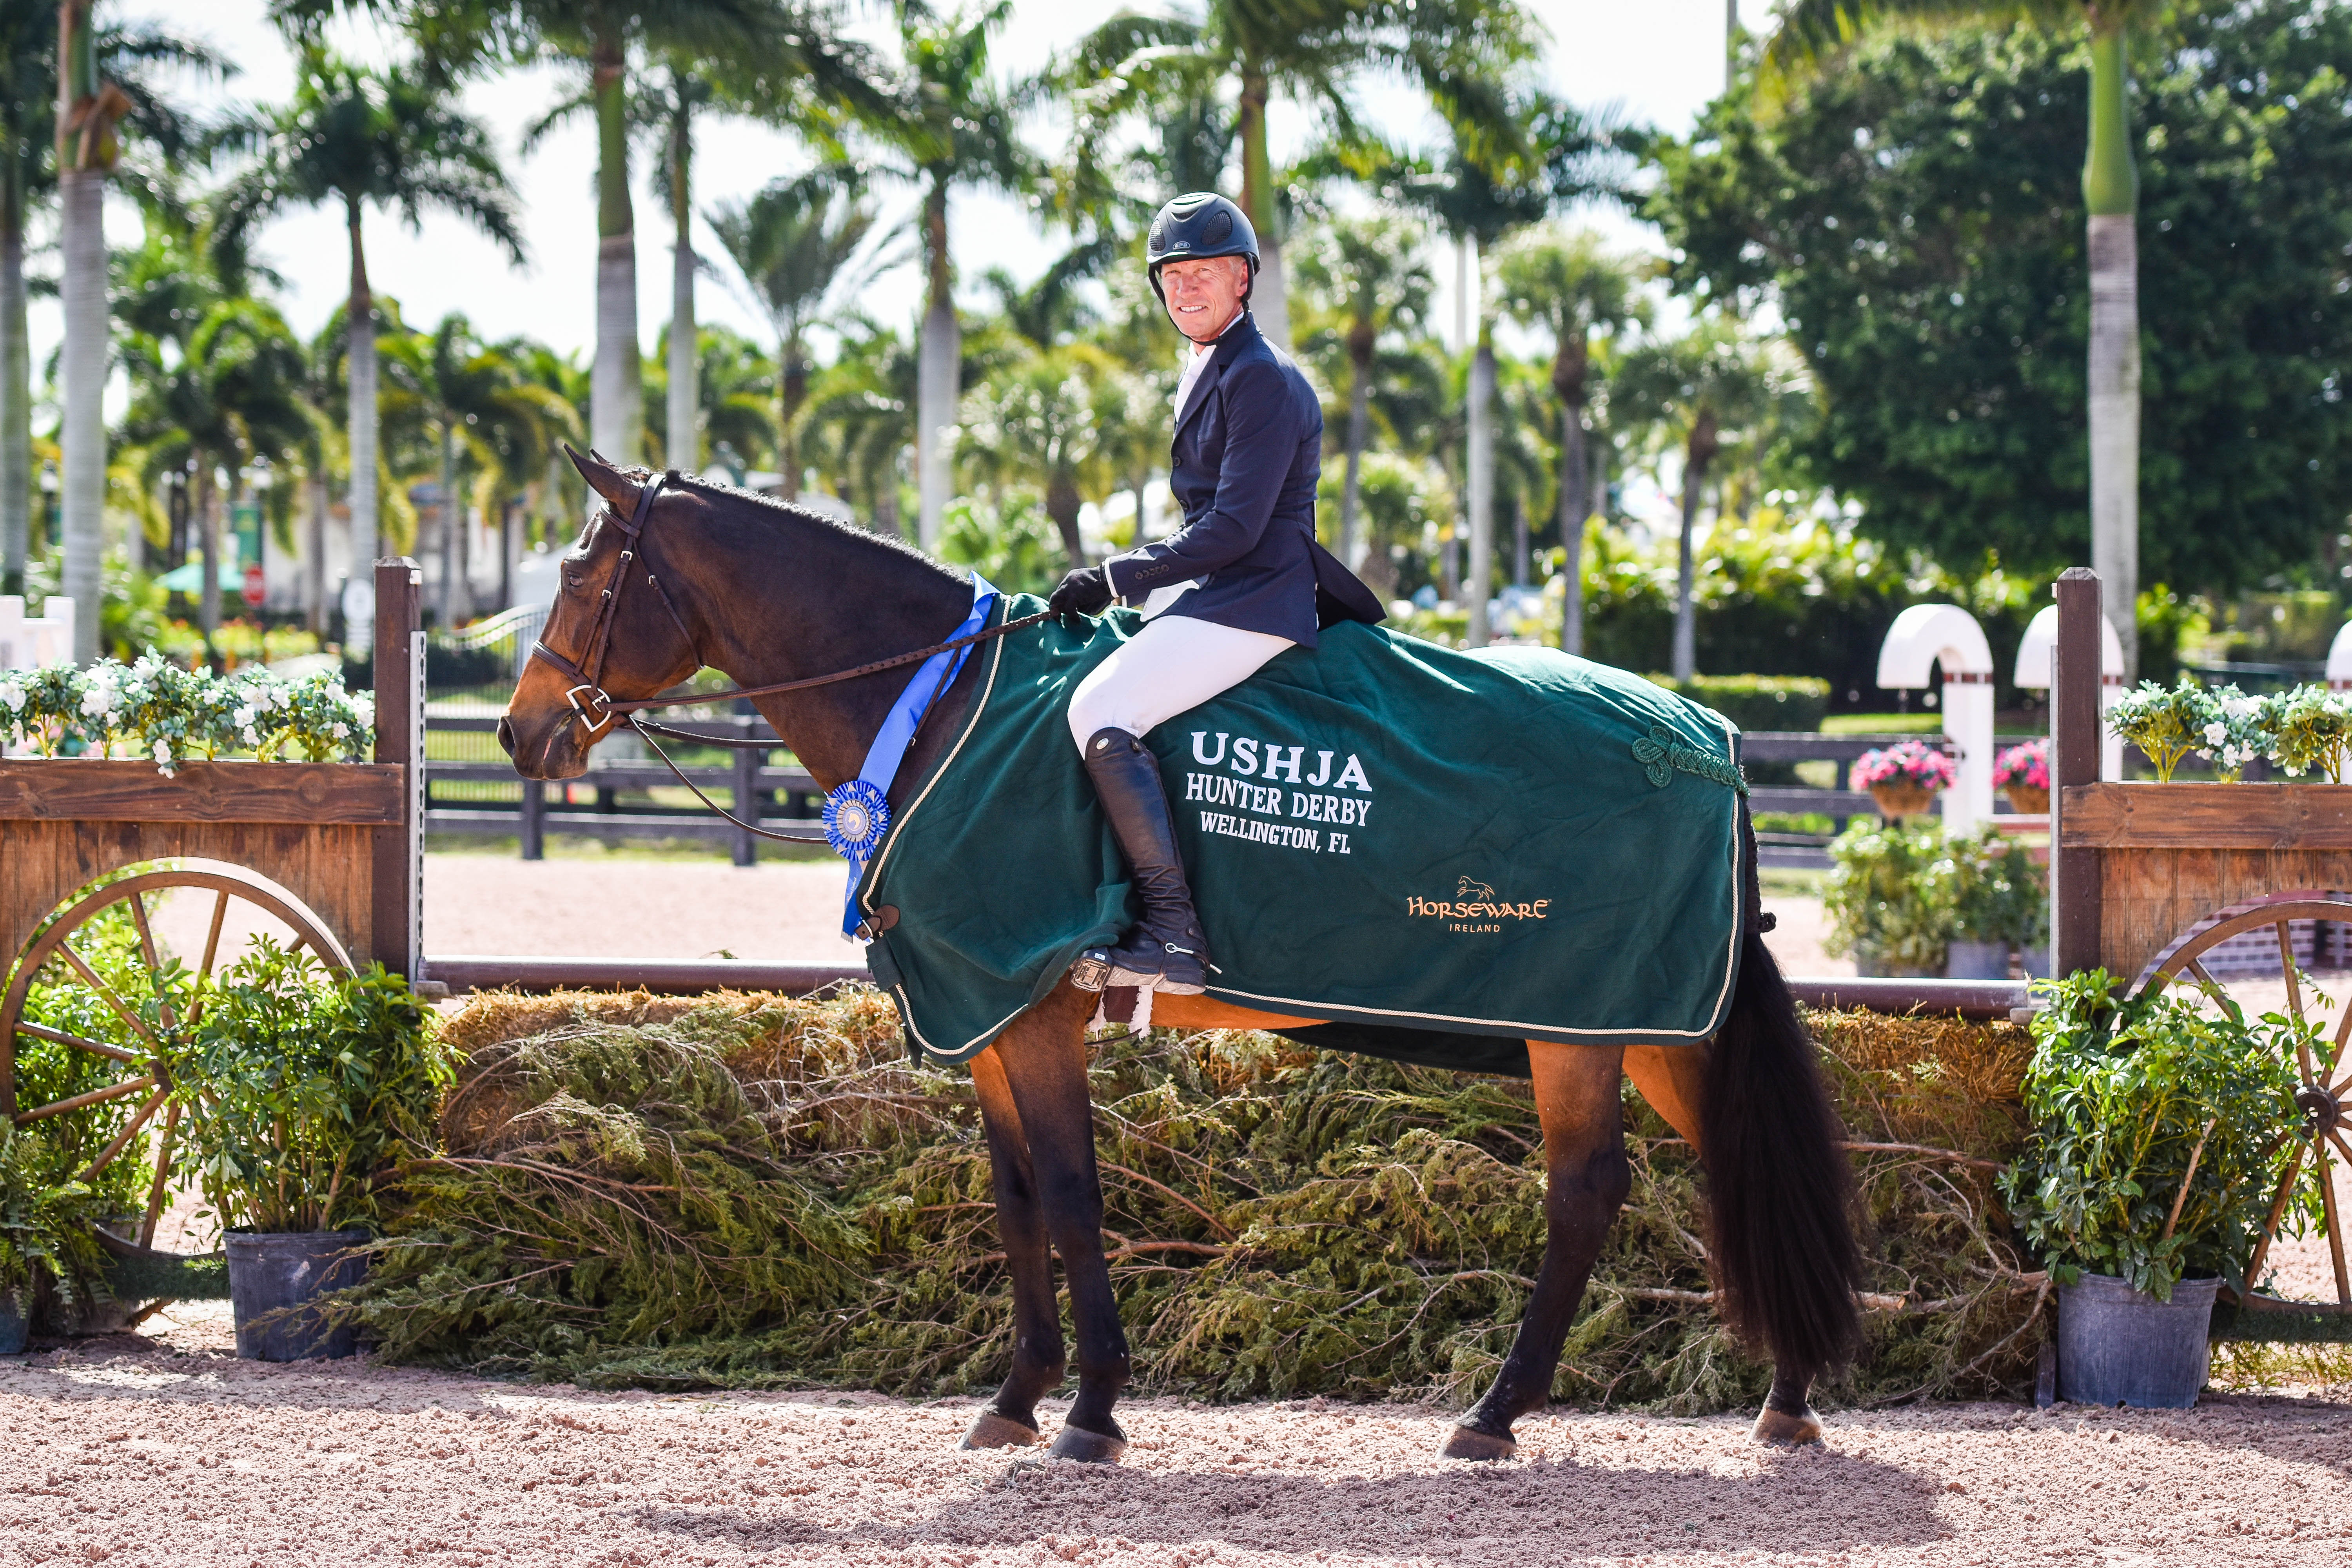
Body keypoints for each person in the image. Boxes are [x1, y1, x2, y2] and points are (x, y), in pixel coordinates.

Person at [1048, 191, 1385, 996]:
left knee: (1099, 711)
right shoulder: (1211, 367)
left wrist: (1116, 575)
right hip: (1217, 586)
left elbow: (1234, 527)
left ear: (1243, 279)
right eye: (1172, 275)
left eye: (1204, 272)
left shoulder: (1261, 377)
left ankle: (1173, 937)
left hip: (1255, 595)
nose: (1186, 288)